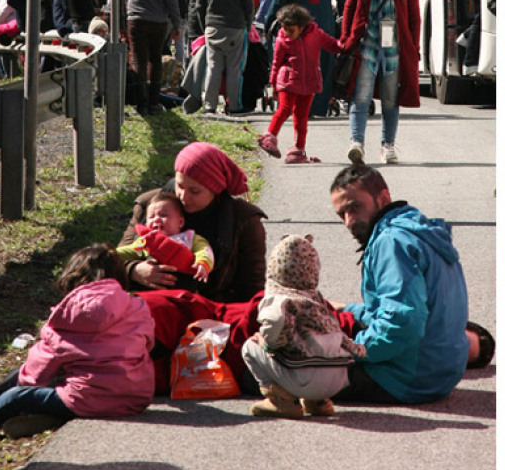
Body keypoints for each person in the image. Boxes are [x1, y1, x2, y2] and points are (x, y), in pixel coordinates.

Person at [0, 245, 154, 438]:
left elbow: (39, 367)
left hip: (87, 399)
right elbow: (148, 343)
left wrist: (26, 385)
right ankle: (46, 414)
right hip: (135, 396)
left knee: (19, 396)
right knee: (65, 381)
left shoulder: (70, 316)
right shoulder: (138, 306)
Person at [328, 165, 473, 403]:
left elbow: (400, 325)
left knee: (285, 368)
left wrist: (342, 349)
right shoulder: (417, 230)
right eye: (341, 214)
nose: (349, 221)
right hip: (441, 374)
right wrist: (347, 309)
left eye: (354, 207)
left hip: (407, 379)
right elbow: (394, 311)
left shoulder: (391, 241)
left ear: (383, 197)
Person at [121, 142, 266, 303]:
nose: (183, 196)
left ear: (215, 190)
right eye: (180, 186)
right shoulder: (150, 206)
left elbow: (252, 286)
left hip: (214, 310)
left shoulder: (243, 219)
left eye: (194, 191)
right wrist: (133, 270)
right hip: (152, 306)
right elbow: (114, 259)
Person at [242, 235, 366, 418]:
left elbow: (276, 320)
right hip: (338, 379)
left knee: (249, 347)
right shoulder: (316, 300)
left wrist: (267, 343)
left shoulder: (281, 299)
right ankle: (318, 402)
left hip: (305, 379)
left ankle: (280, 401)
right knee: (311, 350)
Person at [340, 0, 421, 166]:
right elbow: (349, 7)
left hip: (395, 48)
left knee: (390, 98)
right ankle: (356, 143)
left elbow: (415, 17)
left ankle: (388, 146)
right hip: (368, 44)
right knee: (361, 94)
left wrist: (414, 47)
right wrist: (346, 38)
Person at [264, 0, 348, 119]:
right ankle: (319, 106)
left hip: (298, 28)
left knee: (297, 66)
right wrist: (342, 22)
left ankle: (301, 106)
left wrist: (268, 22)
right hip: (324, 27)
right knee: (323, 67)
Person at [256, 4, 345, 164]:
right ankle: (269, 137)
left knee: (302, 117)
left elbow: (332, 45)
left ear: (302, 26)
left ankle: (298, 149)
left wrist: (346, 44)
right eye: (285, 29)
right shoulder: (283, 39)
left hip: (308, 82)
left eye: (291, 30)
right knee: (285, 108)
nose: (288, 34)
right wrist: (274, 85)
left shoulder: (316, 34)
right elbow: (276, 62)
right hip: (288, 80)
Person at [116, 0, 183, 115]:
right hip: (158, 21)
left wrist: (120, 23)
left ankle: (141, 103)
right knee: (156, 59)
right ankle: (154, 102)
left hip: (135, 19)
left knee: (138, 59)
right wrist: (176, 24)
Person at [195, 0, 255, 114]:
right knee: (234, 69)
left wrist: (204, 26)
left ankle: (209, 106)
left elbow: (199, 6)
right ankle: (234, 106)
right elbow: (248, 8)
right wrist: (247, 26)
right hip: (235, 29)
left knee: (213, 67)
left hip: (212, 28)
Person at [115, 192, 215, 282]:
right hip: (152, 286)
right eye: (151, 217)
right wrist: (110, 253)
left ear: (180, 222)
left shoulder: (189, 238)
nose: (157, 219)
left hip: (184, 285)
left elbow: (204, 249)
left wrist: (203, 263)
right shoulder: (145, 241)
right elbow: (129, 251)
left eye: (163, 215)